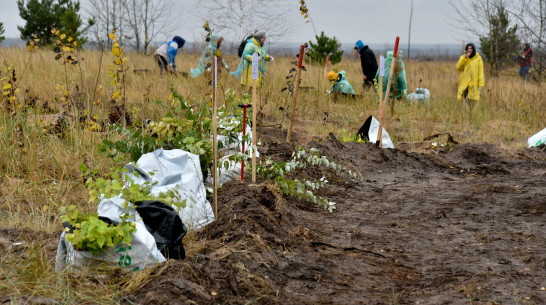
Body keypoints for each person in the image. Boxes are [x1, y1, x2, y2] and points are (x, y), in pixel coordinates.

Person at [456, 43, 484, 108]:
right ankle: (466, 114)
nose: (469, 50)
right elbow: (458, 67)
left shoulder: (478, 59)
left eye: (471, 48)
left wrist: (481, 84)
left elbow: (480, 72)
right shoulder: (463, 58)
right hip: (464, 83)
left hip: (474, 83)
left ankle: (472, 115)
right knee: (461, 98)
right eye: (468, 48)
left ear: (473, 49)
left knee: (473, 100)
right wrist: (465, 59)